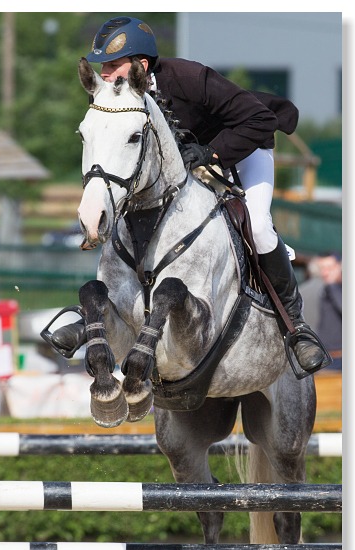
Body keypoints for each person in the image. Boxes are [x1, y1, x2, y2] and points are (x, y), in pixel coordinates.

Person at [55, 15, 328, 374]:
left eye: (111, 64)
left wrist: (212, 154)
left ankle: (295, 327)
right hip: (184, 167)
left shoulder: (189, 77)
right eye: (102, 65)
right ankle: (100, 315)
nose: (104, 73)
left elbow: (259, 120)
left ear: (140, 65)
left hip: (243, 150)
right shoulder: (115, 100)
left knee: (258, 227)